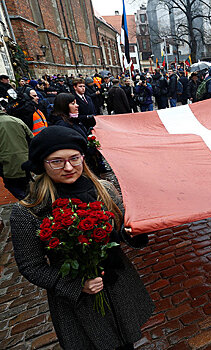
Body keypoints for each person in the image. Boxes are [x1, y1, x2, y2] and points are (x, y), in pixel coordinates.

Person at [10, 126, 154, 349]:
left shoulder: (104, 189)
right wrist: (77, 285)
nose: (68, 167)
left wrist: (135, 232)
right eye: (56, 161)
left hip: (119, 285)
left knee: (126, 340)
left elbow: (122, 231)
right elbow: (31, 266)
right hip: (78, 301)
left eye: (74, 159)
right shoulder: (28, 211)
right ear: (42, 165)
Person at [0, 109, 32, 199]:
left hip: (6, 167)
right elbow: (31, 139)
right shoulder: (16, 120)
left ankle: (27, 202)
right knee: (27, 186)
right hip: (25, 163)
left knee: (13, 186)